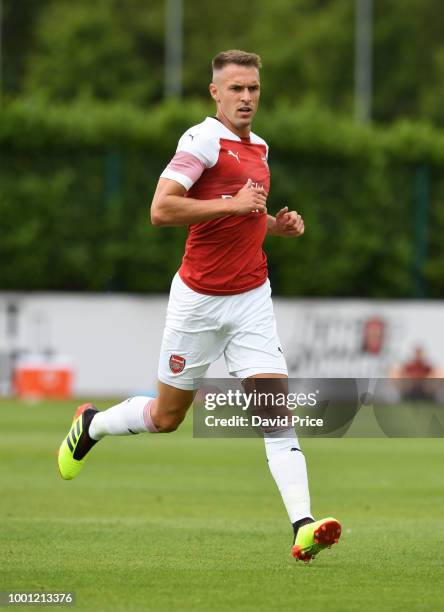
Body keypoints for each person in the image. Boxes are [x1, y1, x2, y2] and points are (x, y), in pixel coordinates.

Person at [57, 50, 341, 562]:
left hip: (252, 298)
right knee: (166, 418)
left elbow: (243, 216)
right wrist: (231, 204)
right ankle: (92, 425)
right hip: (198, 302)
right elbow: (161, 209)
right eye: (236, 88)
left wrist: (277, 224)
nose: (247, 97)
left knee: (276, 412)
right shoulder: (201, 139)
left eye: (253, 88)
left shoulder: (260, 147)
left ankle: (303, 525)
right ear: (216, 93)